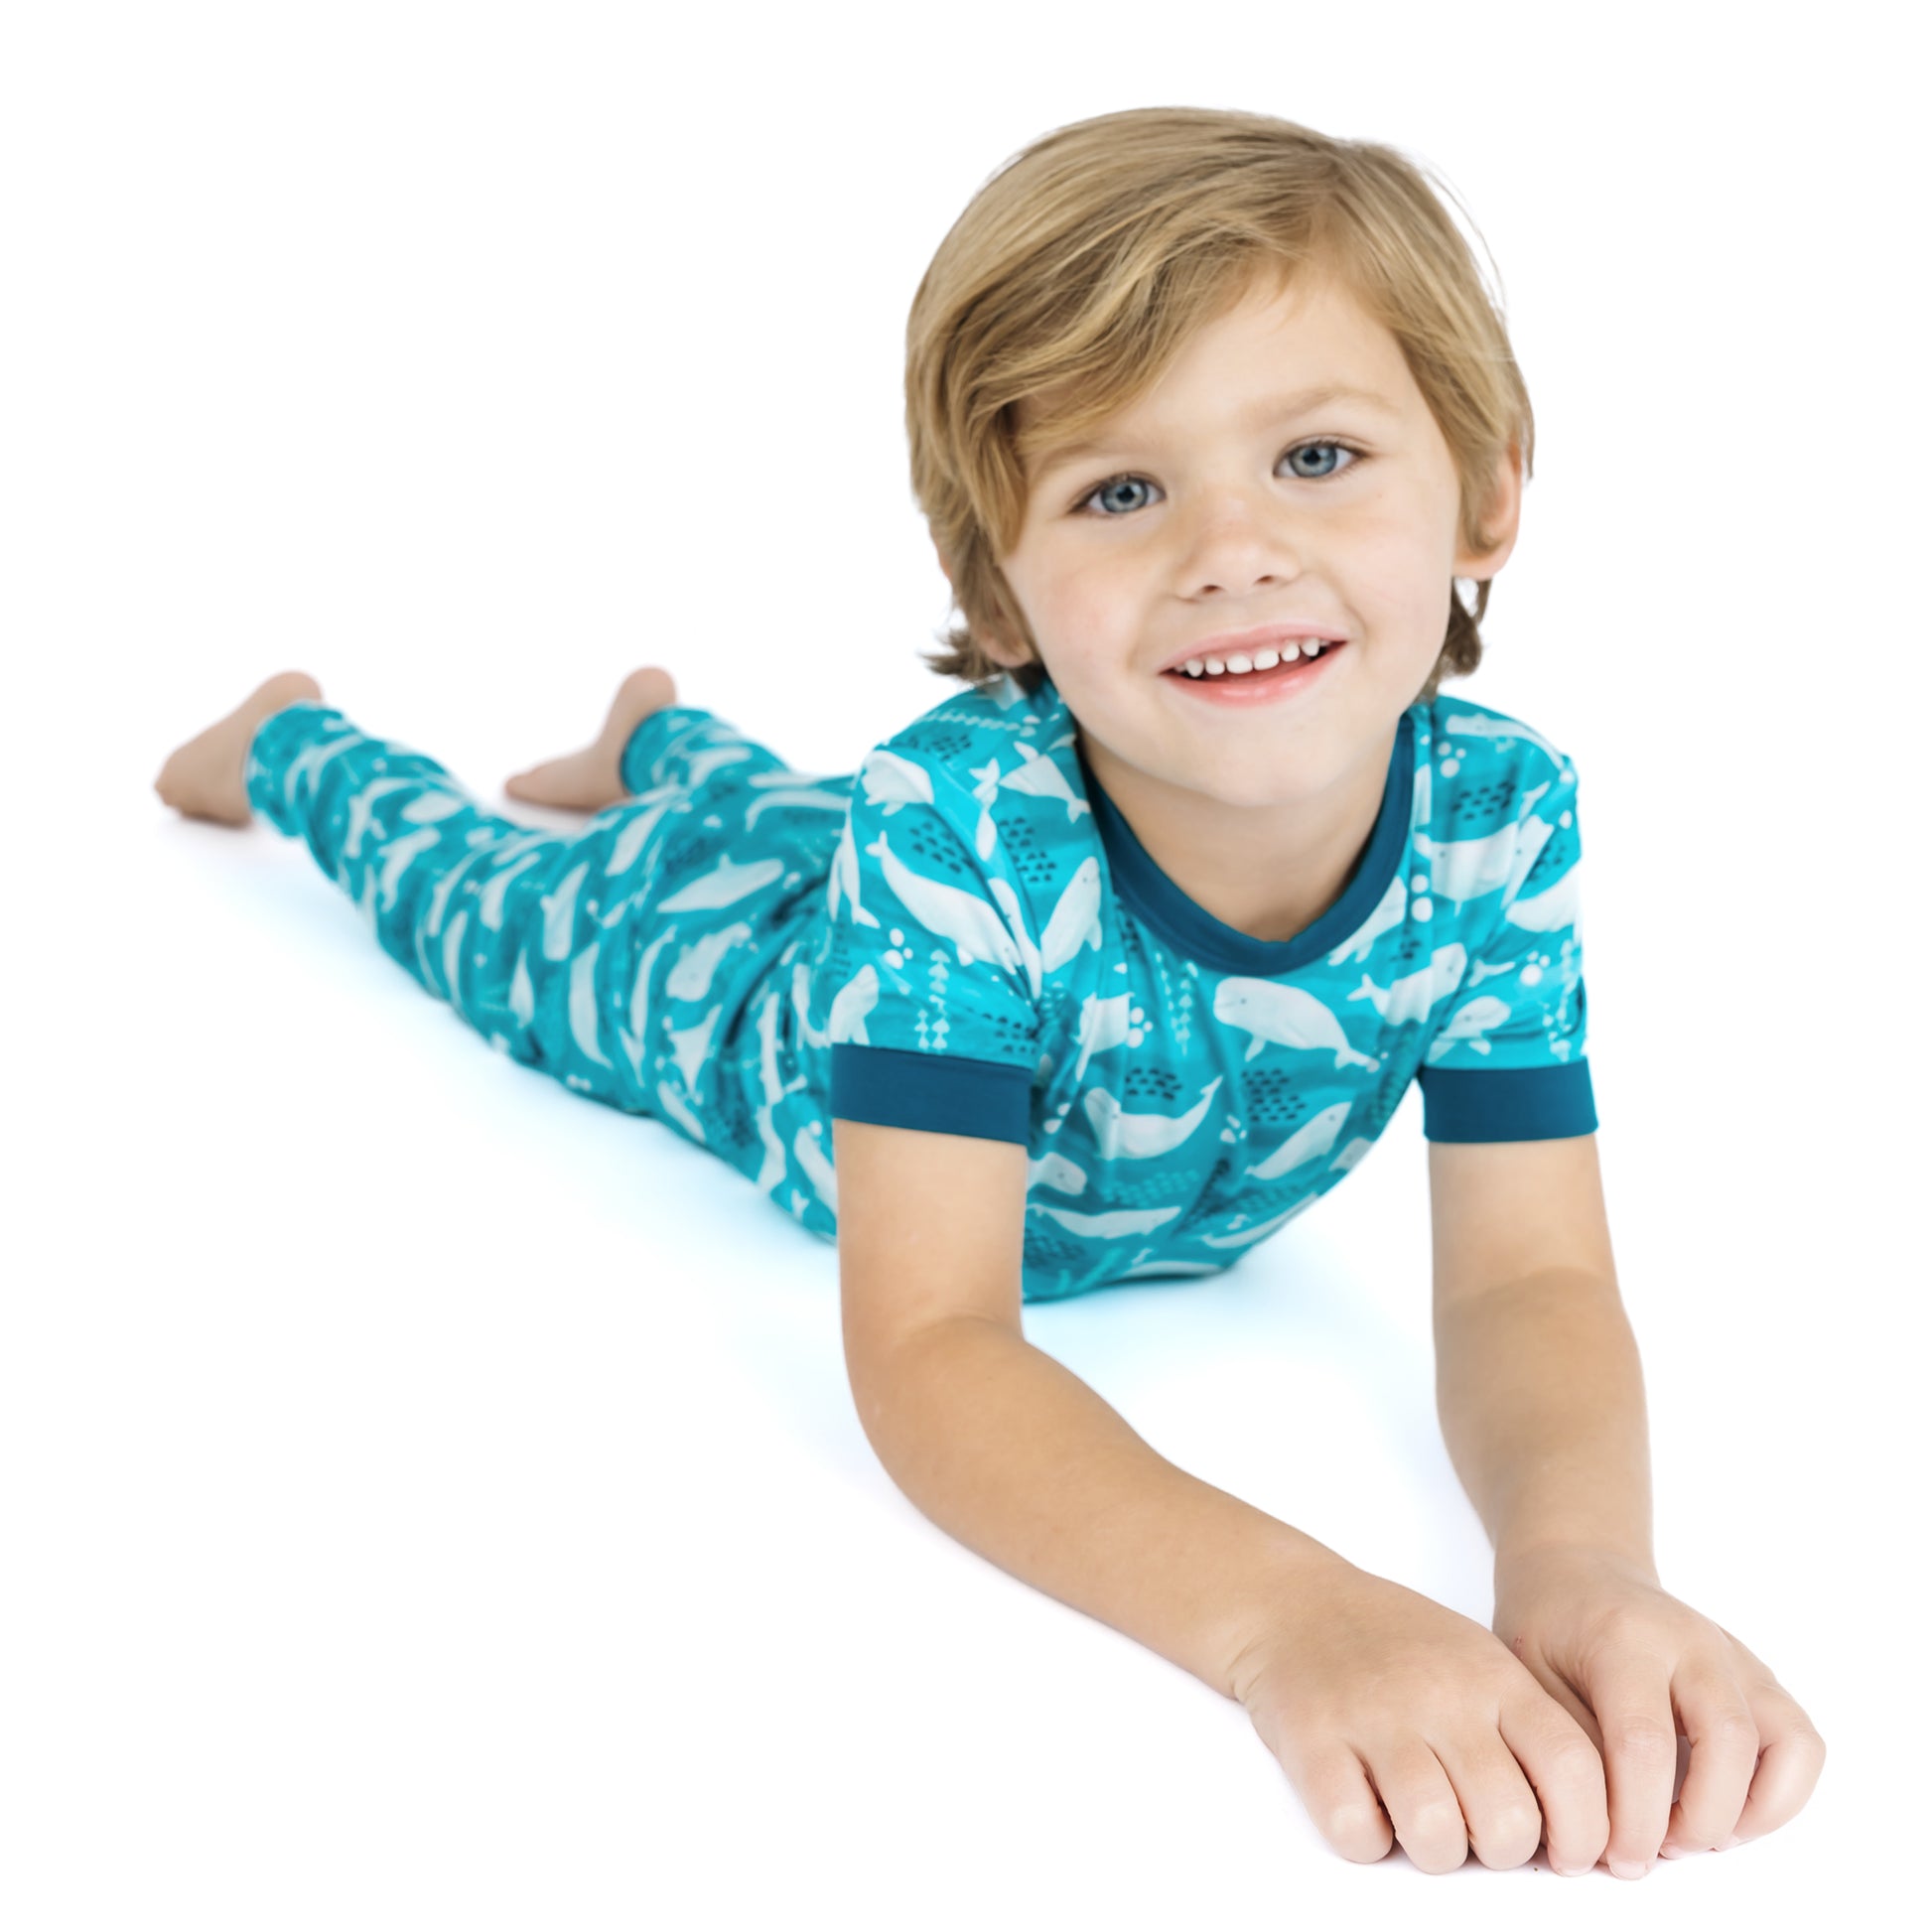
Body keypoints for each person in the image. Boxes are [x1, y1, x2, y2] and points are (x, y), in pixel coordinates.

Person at [155, 105, 1823, 1879]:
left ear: (1486, 486)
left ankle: (655, 734)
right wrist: (1291, 1616)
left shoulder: (1500, 815)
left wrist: (1580, 1563)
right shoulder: (947, 821)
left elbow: (1535, 1272)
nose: (1229, 548)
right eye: (1120, 490)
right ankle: (293, 741)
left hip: (903, 883)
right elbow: (934, 1342)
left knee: (796, 812)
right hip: (737, 1007)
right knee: (497, 900)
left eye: (1318, 455)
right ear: (1001, 596)